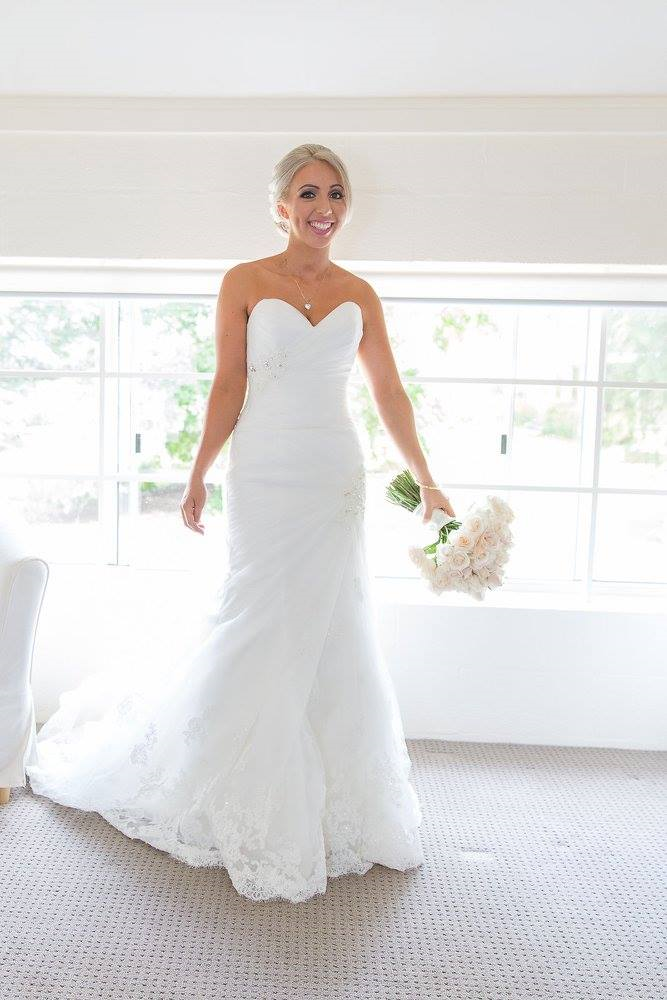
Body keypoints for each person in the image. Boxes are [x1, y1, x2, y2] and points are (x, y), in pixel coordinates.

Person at [26, 143, 455, 904]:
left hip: (332, 471)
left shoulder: (360, 293)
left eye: (335, 193)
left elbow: (389, 390)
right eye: (308, 193)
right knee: (257, 611)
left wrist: (425, 478)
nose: (324, 207)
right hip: (262, 469)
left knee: (333, 621)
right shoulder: (245, 281)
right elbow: (228, 381)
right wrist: (197, 471)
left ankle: (334, 801)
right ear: (281, 206)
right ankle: (226, 777)